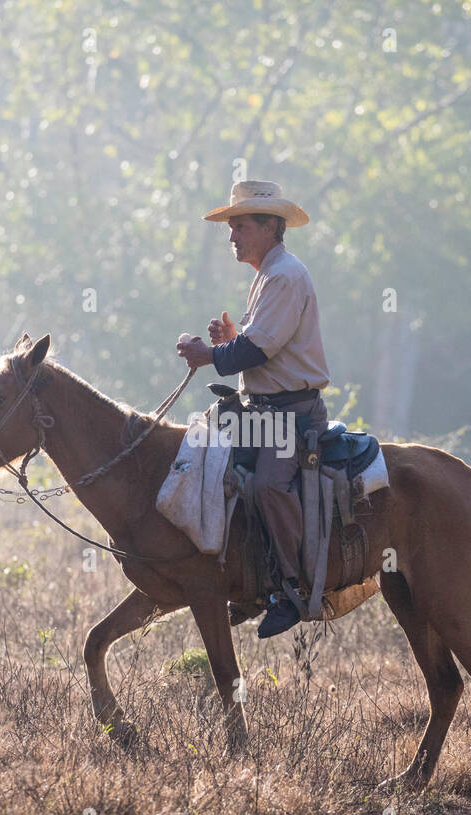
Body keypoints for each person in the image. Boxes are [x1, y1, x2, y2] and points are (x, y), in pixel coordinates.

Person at [177, 180, 331, 638]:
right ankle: (245, 582)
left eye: (240, 225)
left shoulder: (283, 275)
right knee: (212, 467)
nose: (232, 236)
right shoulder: (269, 273)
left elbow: (259, 351)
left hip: (289, 416)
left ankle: (291, 588)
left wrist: (211, 354)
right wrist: (228, 343)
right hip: (265, 410)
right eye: (232, 227)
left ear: (269, 227)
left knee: (266, 486)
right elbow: (258, 344)